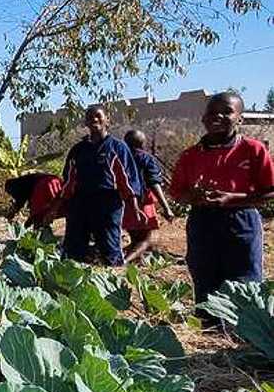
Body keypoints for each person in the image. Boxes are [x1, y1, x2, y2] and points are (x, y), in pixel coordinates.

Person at [168, 92, 274, 311]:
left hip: (241, 222)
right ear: (203, 119)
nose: (217, 116)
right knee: (205, 277)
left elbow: (270, 191)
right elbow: (177, 192)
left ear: (240, 119)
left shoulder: (253, 150)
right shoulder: (190, 155)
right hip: (202, 222)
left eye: (227, 111)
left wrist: (232, 198)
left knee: (245, 283)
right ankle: (212, 330)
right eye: (212, 112)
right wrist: (193, 197)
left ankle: (245, 336)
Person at [59, 105, 144, 266]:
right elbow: (68, 181)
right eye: (90, 117)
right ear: (85, 122)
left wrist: (134, 207)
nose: (94, 119)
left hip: (108, 204)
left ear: (107, 120)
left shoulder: (118, 148)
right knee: (73, 249)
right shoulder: (78, 150)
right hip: (80, 203)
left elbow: (128, 181)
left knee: (109, 248)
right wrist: (59, 206)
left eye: (98, 116)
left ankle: (112, 280)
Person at [122, 129, 175, 264]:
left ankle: (137, 260)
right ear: (143, 143)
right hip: (143, 202)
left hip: (124, 203)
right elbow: (154, 183)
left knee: (135, 237)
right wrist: (166, 207)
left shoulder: (119, 158)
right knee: (146, 239)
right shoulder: (146, 158)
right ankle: (124, 261)